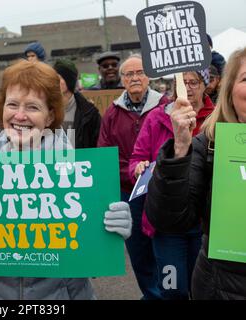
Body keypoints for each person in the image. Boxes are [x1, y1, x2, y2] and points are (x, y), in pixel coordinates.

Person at [0, 59, 132, 300]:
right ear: (1, 109)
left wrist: (109, 228)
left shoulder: (78, 174)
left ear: (50, 116)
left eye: (32, 107)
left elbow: (91, 255)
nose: (20, 115)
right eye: (13, 104)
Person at [145, 47, 246, 300]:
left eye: (195, 82)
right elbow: (170, 219)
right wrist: (179, 148)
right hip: (223, 285)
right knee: (172, 286)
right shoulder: (209, 144)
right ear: (229, 90)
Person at [129, 69, 214, 299]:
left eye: (194, 82)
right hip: (167, 225)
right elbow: (136, 159)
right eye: (182, 82)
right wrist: (138, 168)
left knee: (201, 289)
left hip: (205, 224)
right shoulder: (156, 118)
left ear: (205, 85)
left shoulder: (216, 119)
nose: (187, 87)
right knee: (172, 288)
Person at [97, 54, 169, 299]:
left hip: (161, 191)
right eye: (129, 74)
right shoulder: (112, 113)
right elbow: (105, 153)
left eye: (139, 72)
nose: (135, 78)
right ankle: (150, 293)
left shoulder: (166, 106)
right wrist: (133, 171)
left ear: (148, 76)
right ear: (122, 80)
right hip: (128, 192)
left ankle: (166, 293)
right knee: (138, 250)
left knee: (164, 248)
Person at [53, 58, 101, 148]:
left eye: (58, 78)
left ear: (69, 81)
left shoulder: (89, 113)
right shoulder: (46, 110)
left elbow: (98, 145)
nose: (54, 82)